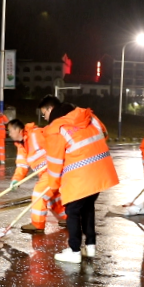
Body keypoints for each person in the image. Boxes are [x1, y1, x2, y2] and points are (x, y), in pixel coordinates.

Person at [44, 103, 119, 263]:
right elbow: (104, 134)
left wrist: (53, 186)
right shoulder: (89, 118)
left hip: (81, 178)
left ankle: (74, 250)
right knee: (87, 208)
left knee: (72, 211)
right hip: (100, 173)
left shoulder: (58, 129)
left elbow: (55, 163)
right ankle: (90, 246)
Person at [7, 118, 67, 233]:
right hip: (45, 173)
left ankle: (37, 224)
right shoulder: (21, 146)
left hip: (53, 170)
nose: (9, 134)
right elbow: (22, 166)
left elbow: (56, 143)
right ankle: (66, 218)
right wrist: (16, 180)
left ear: (18, 130)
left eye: (10, 131)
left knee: (39, 193)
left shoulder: (36, 134)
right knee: (52, 198)